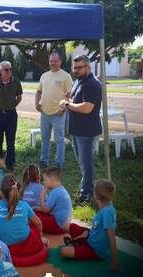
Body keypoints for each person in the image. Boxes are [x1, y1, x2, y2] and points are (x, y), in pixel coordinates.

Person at [59, 55, 102, 204]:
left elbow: (87, 108)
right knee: (82, 163)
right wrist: (69, 100)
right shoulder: (78, 81)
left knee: (86, 164)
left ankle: (87, 195)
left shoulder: (93, 84)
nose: (76, 70)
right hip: (77, 131)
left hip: (87, 132)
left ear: (88, 67)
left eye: (79, 67)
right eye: (74, 67)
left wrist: (67, 105)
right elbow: (76, 100)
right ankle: (86, 188)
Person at [60, 179, 119, 272]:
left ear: (96, 196)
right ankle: (77, 242)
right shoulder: (105, 206)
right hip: (90, 236)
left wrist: (115, 261)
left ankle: (75, 244)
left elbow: (111, 236)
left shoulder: (107, 213)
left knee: (63, 251)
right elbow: (98, 228)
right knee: (68, 226)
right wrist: (87, 234)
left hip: (95, 250)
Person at [0, 175, 45, 257]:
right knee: (32, 227)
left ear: (1, 191)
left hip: (5, 246)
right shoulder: (24, 205)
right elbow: (38, 223)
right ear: (19, 190)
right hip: (27, 245)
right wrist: (40, 235)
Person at [35, 52, 73, 169]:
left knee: (59, 140)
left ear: (60, 62)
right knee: (45, 138)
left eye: (55, 61)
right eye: (51, 61)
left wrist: (63, 108)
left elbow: (70, 94)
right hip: (45, 113)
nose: (53, 63)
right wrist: (37, 103)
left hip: (58, 113)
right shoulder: (44, 75)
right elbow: (39, 91)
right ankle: (44, 160)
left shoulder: (65, 76)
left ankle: (58, 163)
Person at [0, 61, 23, 171]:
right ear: (0, 71)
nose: (9, 72)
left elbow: (19, 97)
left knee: (11, 141)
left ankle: (10, 164)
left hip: (11, 114)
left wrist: (11, 106)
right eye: (6, 69)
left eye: (10, 69)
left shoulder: (16, 81)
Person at [34, 167, 72, 234]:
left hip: (58, 226)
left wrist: (42, 196)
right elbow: (48, 208)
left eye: (45, 180)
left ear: (51, 180)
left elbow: (46, 210)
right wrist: (38, 209)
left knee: (33, 218)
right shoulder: (61, 189)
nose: (44, 182)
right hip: (62, 223)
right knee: (35, 213)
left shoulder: (55, 192)